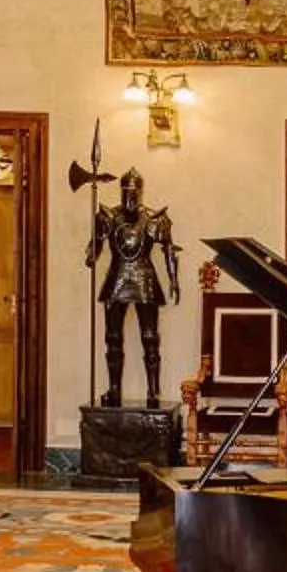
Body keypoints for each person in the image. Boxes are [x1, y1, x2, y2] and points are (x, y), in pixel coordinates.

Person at [85, 169, 181, 407]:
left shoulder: (153, 218)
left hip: (144, 276)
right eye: (126, 191)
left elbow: (168, 249)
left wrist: (173, 280)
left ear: (140, 191)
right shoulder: (108, 216)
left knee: (150, 337)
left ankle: (152, 391)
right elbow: (95, 247)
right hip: (117, 276)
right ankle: (114, 389)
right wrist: (92, 252)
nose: (130, 197)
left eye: (134, 192)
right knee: (112, 337)